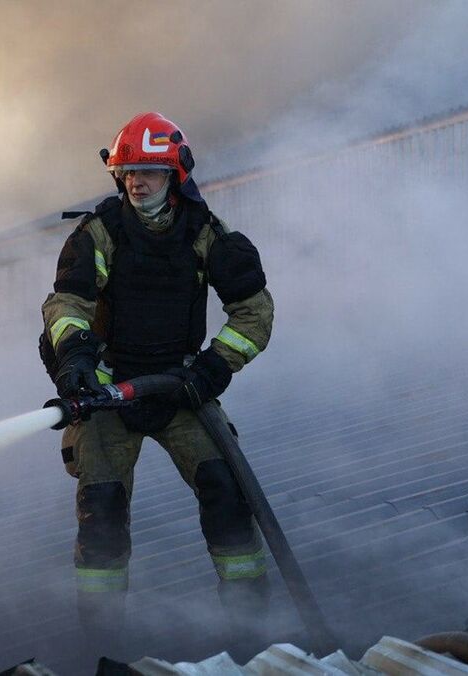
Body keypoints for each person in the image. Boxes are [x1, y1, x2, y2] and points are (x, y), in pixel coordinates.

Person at [40, 112, 275, 647]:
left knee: (227, 492)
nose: (136, 181)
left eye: (149, 170)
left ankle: (251, 631)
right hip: (109, 392)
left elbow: (254, 313)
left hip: (179, 388)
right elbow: (67, 303)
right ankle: (102, 643)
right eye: (127, 171)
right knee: (100, 511)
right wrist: (74, 358)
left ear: (176, 175)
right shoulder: (98, 234)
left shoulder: (208, 235)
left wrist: (212, 369)